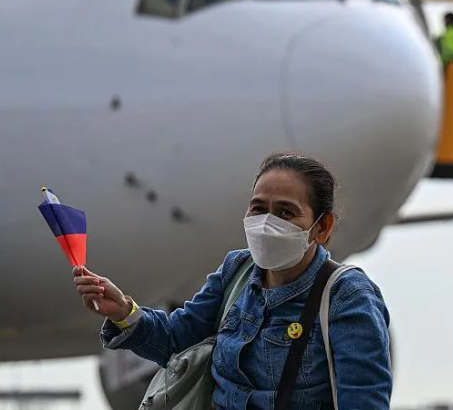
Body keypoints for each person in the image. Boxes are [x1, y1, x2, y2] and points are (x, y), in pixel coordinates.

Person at [73, 153, 392, 409]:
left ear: (322, 228)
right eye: (258, 208)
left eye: (285, 213)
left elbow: (364, 399)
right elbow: (177, 340)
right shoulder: (236, 270)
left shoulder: (347, 297)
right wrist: (124, 312)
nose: (266, 223)